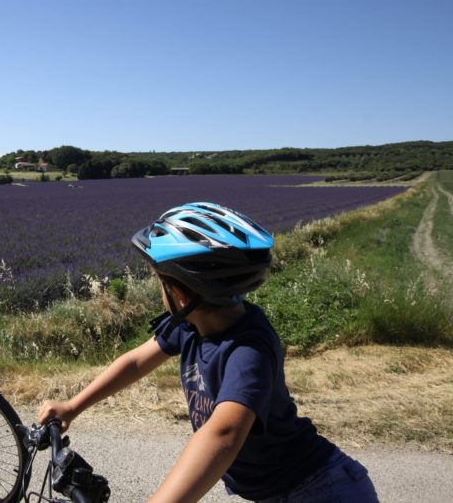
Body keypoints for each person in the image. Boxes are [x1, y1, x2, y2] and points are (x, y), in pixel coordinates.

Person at [38, 202, 379, 502]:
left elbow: (223, 434)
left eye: (161, 282)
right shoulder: (191, 325)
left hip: (322, 491)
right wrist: (73, 405)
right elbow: (137, 361)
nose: (159, 290)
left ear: (182, 296)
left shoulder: (248, 349)